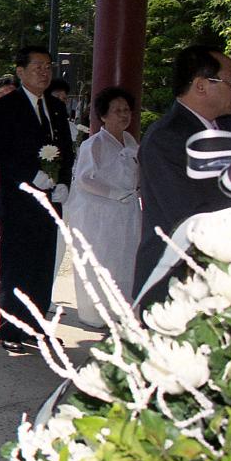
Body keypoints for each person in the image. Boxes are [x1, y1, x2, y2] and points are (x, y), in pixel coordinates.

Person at [0, 45, 76, 353]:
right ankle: (10, 327)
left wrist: (63, 181)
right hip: (18, 201)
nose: (44, 71)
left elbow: (66, 149)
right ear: (20, 71)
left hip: (50, 202)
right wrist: (28, 176)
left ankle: (38, 326)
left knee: (42, 265)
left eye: (48, 66)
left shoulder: (57, 107)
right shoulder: (5, 107)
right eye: (37, 66)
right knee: (15, 267)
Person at [134, 45, 231, 299]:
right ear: (201, 85)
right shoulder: (167, 137)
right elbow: (189, 215)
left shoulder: (222, 129)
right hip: (178, 279)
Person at [67, 86, 140, 327]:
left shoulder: (130, 141)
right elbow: (85, 178)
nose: (123, 115)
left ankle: (123, 307)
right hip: (99, 213)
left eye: (127, 110)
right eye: (117, 110)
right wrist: (115, 193)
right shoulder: (94, 143)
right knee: (102, 258)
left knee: (126, 257)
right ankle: (97, 312)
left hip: (126, 209)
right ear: (104, 115)